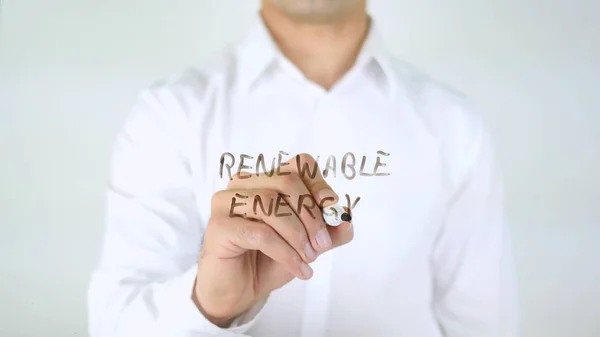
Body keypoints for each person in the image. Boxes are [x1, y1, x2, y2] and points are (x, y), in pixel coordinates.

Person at [87, 0, 519, 336]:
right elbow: (114, 324)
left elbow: (482, 327)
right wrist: (209, 304)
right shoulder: (168, 116)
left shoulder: (457, 128)